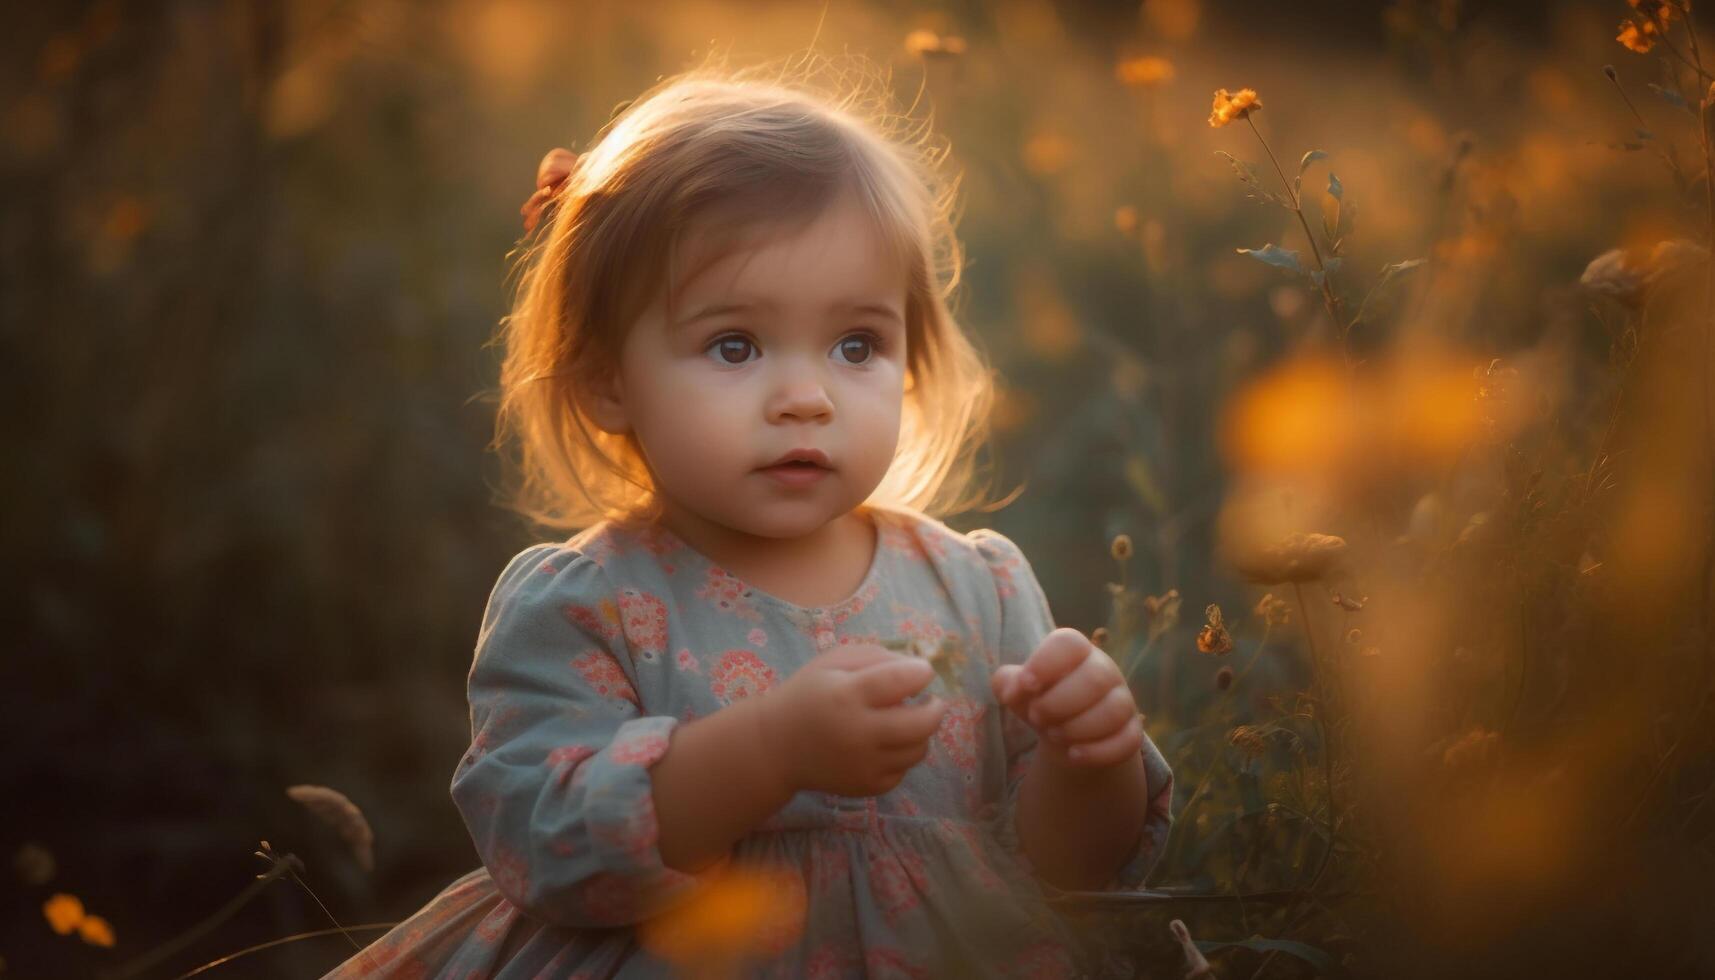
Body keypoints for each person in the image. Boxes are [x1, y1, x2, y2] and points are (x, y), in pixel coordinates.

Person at [323, 56, 1173, 980]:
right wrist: (773, 750)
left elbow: (1060, 875)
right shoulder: (590, 606)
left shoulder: (975, 588)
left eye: (857, 344)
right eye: (735, 345)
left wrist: (1091, 759)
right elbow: (548, 853)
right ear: (606, 378)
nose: (805, 397)